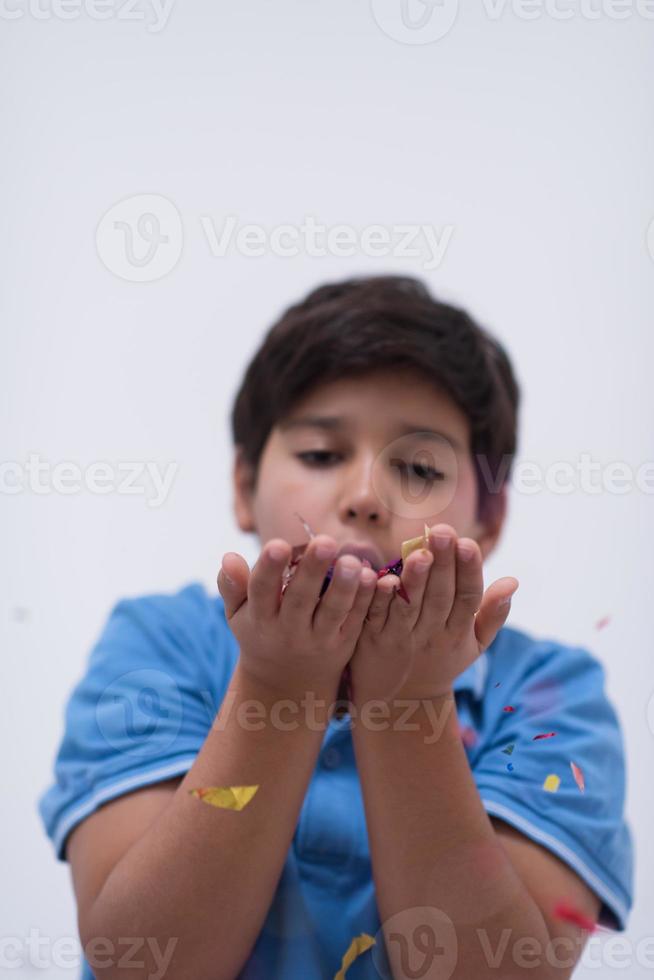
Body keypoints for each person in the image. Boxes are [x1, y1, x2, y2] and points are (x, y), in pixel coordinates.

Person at [37, 275, 634, 979]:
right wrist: (273, 684)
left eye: (417, 467)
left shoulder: (550, 695)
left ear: (491, 516)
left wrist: (408, 701)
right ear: (242, 484)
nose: (363, 498)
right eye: (321, 455)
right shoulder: (159, 645)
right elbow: (144, 964)